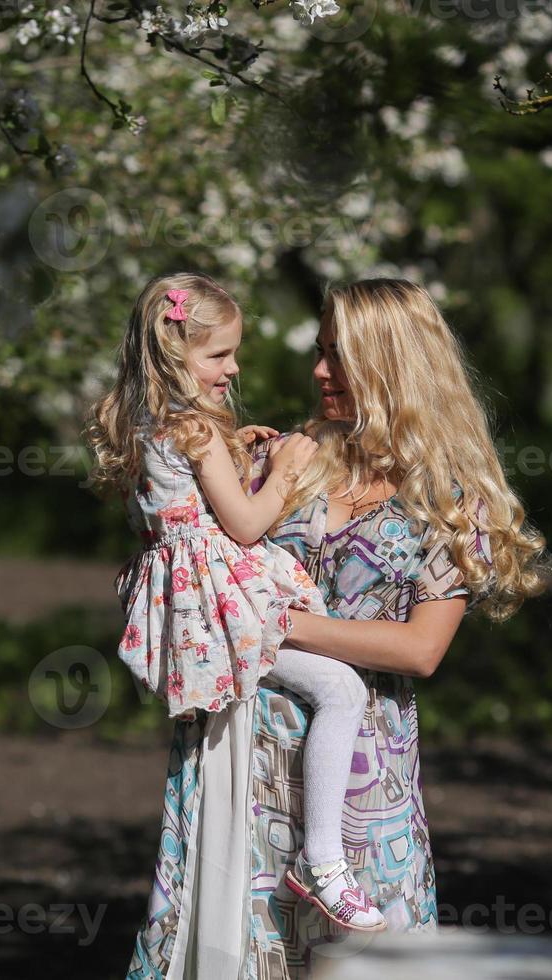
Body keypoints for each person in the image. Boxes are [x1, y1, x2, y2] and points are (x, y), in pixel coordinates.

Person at [126, 278, 551, 978]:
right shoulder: (283, 459)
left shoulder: (452, 502)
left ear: (393, 366)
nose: (320, 370)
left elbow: (420, 650)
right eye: (322, 352)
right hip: (241, 762)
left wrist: (273, 625)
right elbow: (184, 551)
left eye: (340, 356)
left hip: (361, 786)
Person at [88, 271, 390, 932]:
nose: (234, 366)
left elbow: (188, 498)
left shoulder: (141, 417)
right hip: (218, 605)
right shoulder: (193, 428)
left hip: (190, 600)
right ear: (176, 353)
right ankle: (324, 864)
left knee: (327, 688)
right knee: (342, 690)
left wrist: (234, 447)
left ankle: (316, 856)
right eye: (218, 354)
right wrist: (282, 473)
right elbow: (247, 524)